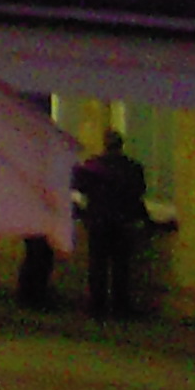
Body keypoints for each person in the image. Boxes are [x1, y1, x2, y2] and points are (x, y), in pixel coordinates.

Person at [72, 131, 154, 322]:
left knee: (97, 264)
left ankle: (97, 305)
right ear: (121, 145)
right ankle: (120, 305)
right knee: (121, 266)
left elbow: (79, 186)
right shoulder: (132, 168)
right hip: (122, 222)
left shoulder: (93, 166)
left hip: (98, 221)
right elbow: (138, 192)